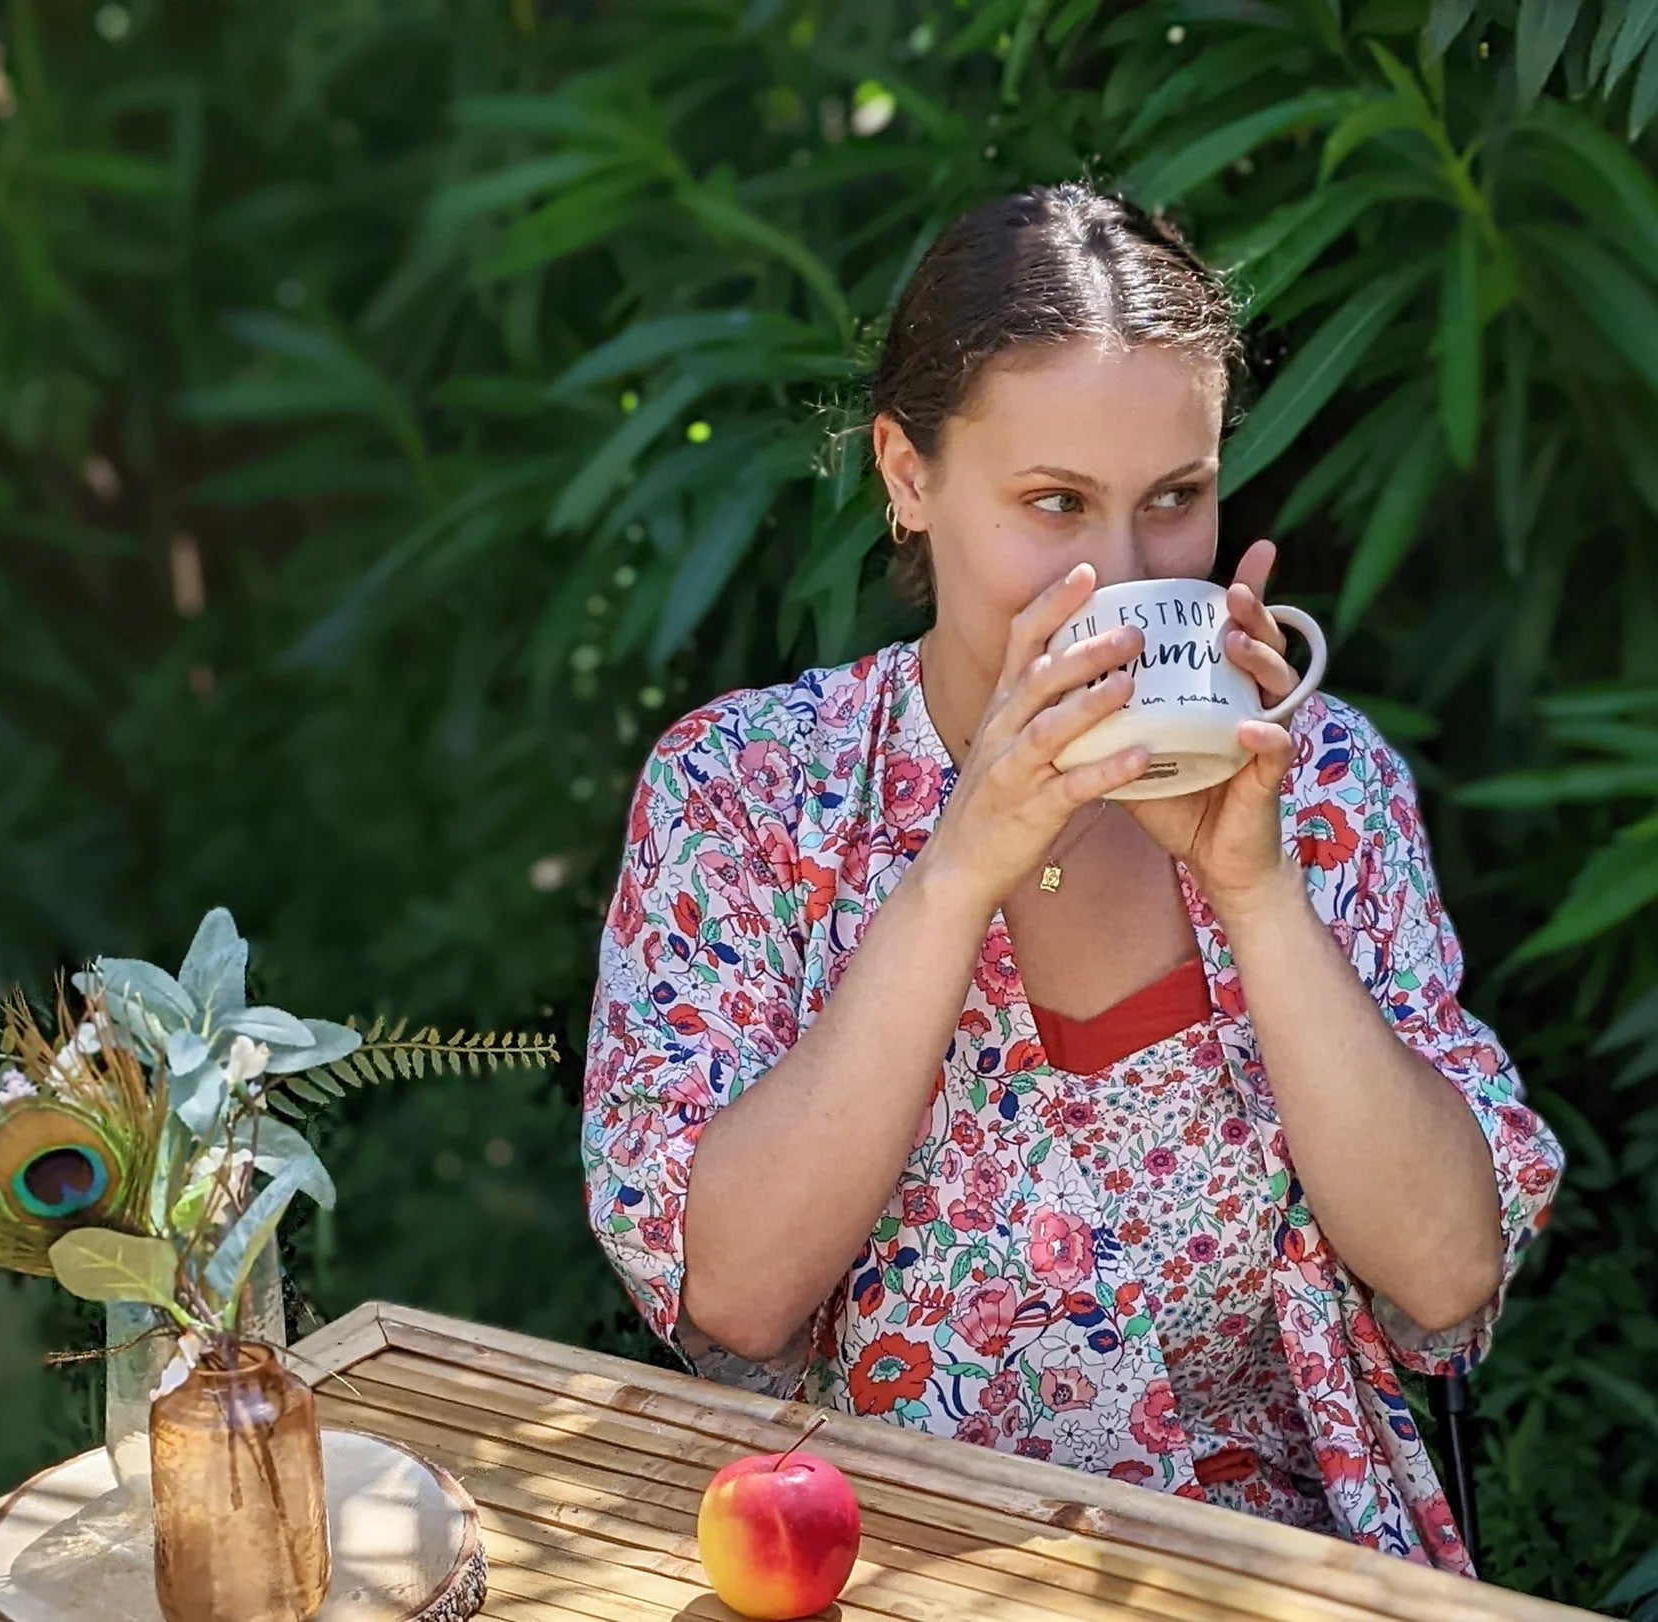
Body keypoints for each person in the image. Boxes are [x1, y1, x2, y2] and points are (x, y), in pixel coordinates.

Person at [580, 184, 1562, 1572]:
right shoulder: (746, 794)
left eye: (1175, 499)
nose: (1121, 576)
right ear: (906, 476)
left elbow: (1447, 1270)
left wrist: (1259, 892)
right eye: (1054, 503)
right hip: (894, 1574)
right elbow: (735, 1295)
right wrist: (955, 870)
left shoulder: (1319, 781)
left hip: (1272, 1583)